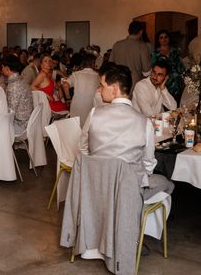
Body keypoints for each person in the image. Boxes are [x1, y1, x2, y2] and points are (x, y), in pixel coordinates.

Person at [79, 64, 174, 198]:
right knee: (169, 184)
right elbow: (148, 164)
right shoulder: (144, 123)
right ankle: (145, 216)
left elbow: (83, 148)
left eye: (102, 85)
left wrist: (97, 170)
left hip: (98, 184)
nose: (99, 90)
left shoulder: (94, 113)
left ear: (114, 89)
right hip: (129, 190)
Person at [109, 20, 151, 90]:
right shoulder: (142, 46)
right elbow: (146, 70)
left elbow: (110, 65)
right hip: (135, 82)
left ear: (128, 30)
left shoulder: (117, 44)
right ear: (141, 32)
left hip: (118, 80)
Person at [61, 53, 100, 126]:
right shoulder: (97, 76)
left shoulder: (76, 74)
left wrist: (68, 98)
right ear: (93, 64)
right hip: (91, 106)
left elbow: (65, 85)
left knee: (75, 129)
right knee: (87, 129)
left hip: (77, 105)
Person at [2, 54, 33, 135]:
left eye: (2, 67)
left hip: (21, 125)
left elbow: (11, 111)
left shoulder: (13, 86)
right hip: (28, 120)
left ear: (7, 68)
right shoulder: (21, 80)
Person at [151, 30, 185, 100]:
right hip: (163, 83)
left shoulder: (175, 51)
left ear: (169, 38)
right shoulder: (155, 53)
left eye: (166, 37)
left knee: (176, 106)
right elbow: (153, 69)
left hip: (177, 84)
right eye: (161, 37)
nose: (164, 39)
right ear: (158, 40)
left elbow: (181, 66)